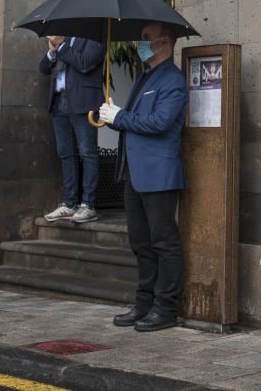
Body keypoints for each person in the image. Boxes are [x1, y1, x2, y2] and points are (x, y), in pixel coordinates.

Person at [99, 22, 188, 332]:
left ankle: (166, 307)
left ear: (165, 42)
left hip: (158, 174)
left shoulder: (172, 80)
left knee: (164, 242)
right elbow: (134, 122)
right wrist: (112, 116)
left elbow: (161, 122)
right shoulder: (145, 77)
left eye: (146, 38)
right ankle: (143, 303)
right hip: (133, 173)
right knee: (141, 242)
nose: (141, 44)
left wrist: (121, 116)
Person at [38, 35, 106, 223]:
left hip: (83, 102)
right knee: (65, 153)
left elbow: (85, 63)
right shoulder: (65, 40)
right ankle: (69, 203)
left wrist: (60, 45)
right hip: (60, 101)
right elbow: (43, 68)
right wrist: (52, 52)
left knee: (87, 152)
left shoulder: (96, 37)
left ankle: (88, 205)